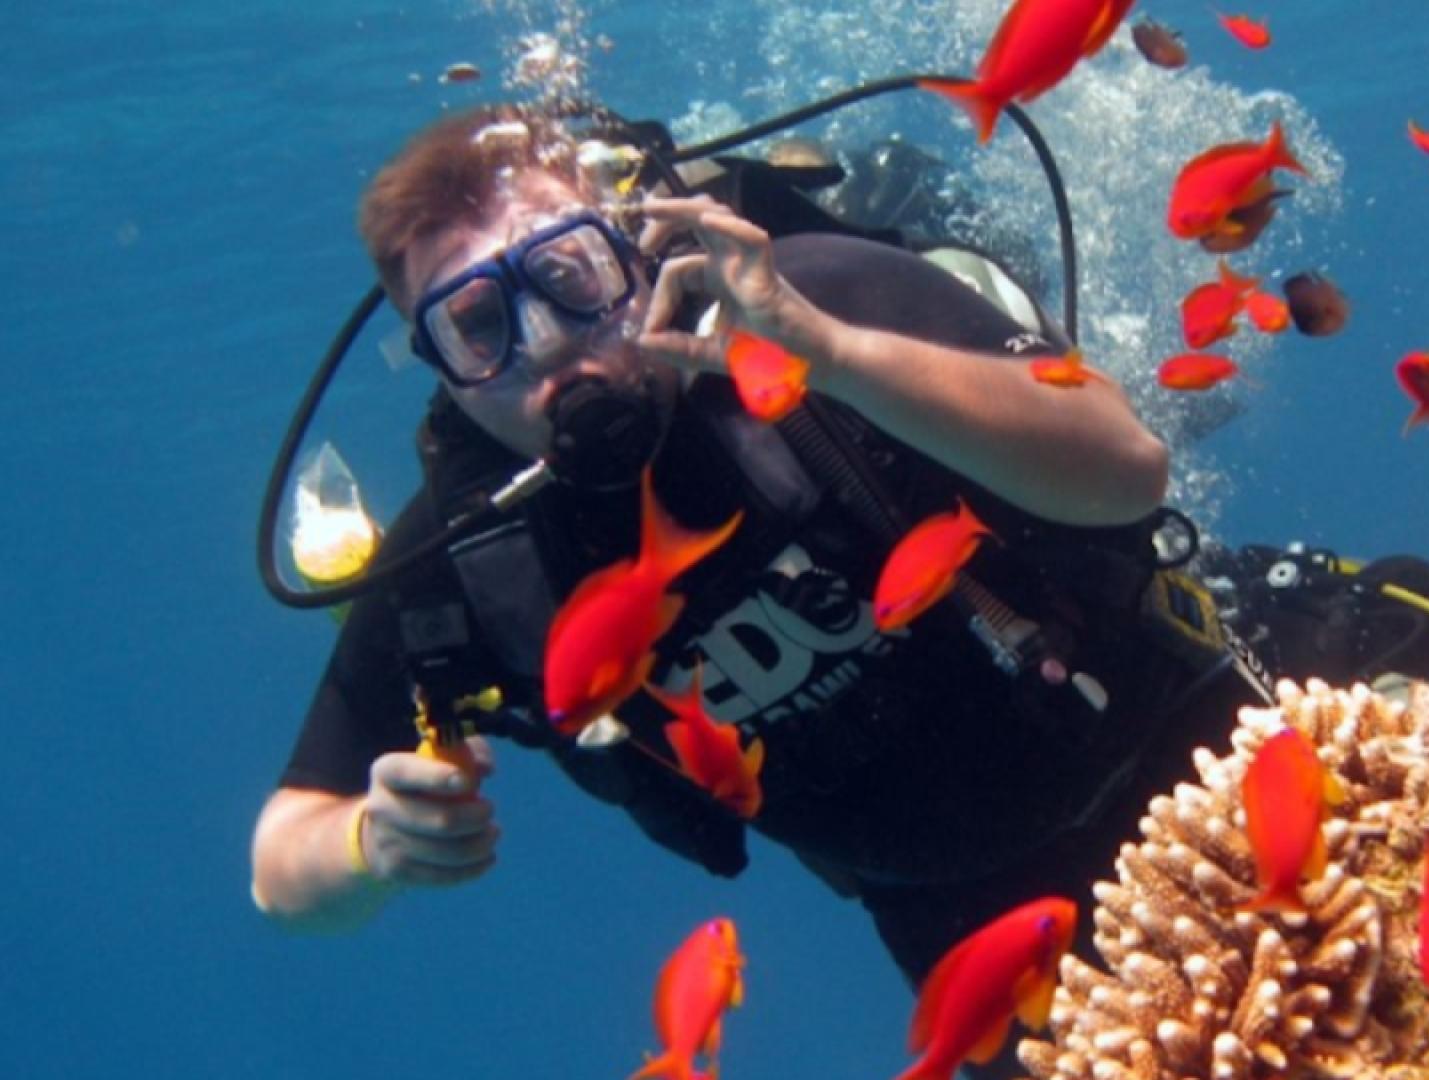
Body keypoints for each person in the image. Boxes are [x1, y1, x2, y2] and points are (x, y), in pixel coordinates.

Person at [249, 103, 1268, 1079]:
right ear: (439, 370)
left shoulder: (811, 294)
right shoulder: (474, 555)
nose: (550, 342)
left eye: (569, 274)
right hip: (960, 918)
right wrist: (368, 844)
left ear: (636, 248)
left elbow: (1127, 468)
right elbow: (280, 867)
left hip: (1197, 728)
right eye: (479, 325)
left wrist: (831, 356)